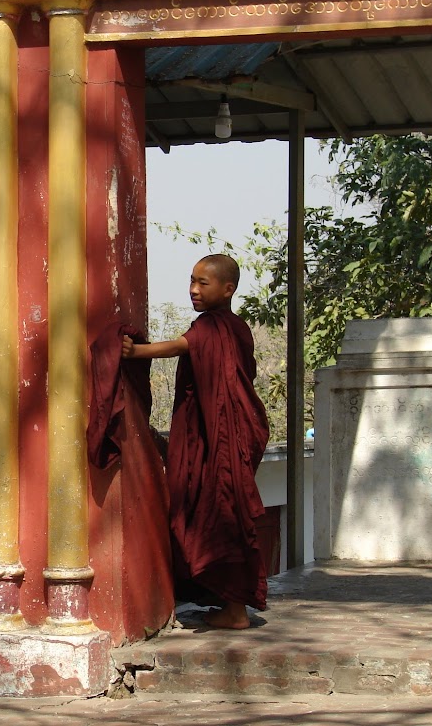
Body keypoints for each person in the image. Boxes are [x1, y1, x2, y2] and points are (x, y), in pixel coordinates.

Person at [122, 254, 269, 629]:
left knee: (223, 515)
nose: (193, 290)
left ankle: (235, 611)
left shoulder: (218, 328)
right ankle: (225, 604)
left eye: (203, 283)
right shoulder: (234, 327)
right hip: (215, 439)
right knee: (215, 515)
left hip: (222, 444)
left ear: (228, 288)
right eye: (192, 280)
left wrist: (135, 352)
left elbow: (181, 346)